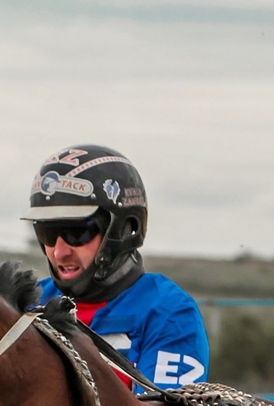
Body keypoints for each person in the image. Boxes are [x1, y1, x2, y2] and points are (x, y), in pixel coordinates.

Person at [20, 144, 210, 389]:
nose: (59, 252)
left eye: (77, 232)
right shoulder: (28, 305)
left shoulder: (168, 312)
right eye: (47, 233)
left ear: (123, 229)